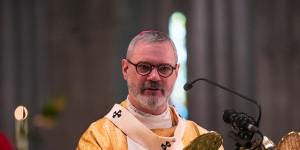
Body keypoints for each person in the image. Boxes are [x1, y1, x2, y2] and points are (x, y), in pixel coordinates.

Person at [76, 30, 223, 150]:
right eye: (144, 67)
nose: (154, 77)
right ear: (125, 69)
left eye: (164, 68)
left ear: (176, 72)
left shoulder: (201, 140)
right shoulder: (99, 139)